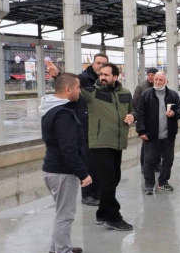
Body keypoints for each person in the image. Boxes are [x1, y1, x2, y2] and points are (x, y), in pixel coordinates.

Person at [47, 60, 136, 231]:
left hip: (118, 143)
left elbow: (132, 110)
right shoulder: (92, 93)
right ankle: (113, 217)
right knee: (109, 180)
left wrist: (132, 116)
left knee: (114, 179)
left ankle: (102, 213)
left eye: (106, 75)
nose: (102, 77)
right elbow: (71, 88)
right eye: (101, 74)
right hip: (100, 143)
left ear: (115, 77)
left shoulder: (125, 93)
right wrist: (58, 75)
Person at [40, 73, 92, 253]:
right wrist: (83, 174)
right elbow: (68, 148)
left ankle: (57, 247)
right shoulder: (63, 114)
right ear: (68, 89)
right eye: (78, 87)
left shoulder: (51, 109)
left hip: (52, 169)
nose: (80, 91)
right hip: (62, 171)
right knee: (66, 214)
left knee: (61, 212)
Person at [135, 72, 180, 194]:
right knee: (149, 161)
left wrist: (175, 113)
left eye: (160, 80)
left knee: (168, 160)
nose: (157, 82)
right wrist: (141, 130)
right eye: (156, 80)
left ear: (166, 81)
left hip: (168, 135)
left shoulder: (172, 95)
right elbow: (140, 114)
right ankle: (149, 184)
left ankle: (163, 182)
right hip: (151, 136)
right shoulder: (146, 95)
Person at [77, 53, 108, 206]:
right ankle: (87, 194)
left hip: (101, 129)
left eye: (103, 63)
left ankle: (97, 192)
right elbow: (67, 86)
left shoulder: (106, 81)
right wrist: (57, 76)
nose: (100, 66)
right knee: (88, 163)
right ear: (93, 63)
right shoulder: (83, 78)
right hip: (86, 128)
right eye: (98, 63)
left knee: (98, 164)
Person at [134, 67, 158, 173]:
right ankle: (144, 166)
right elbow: (134, 102)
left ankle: (156, 164)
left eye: (153, 75)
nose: (150, 77)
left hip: (157, 120)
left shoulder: (159, 86)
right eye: (149, 75)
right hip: (145, 119)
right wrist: (138, 118)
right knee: (146, 144)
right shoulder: (141, 87)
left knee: (157, 143)